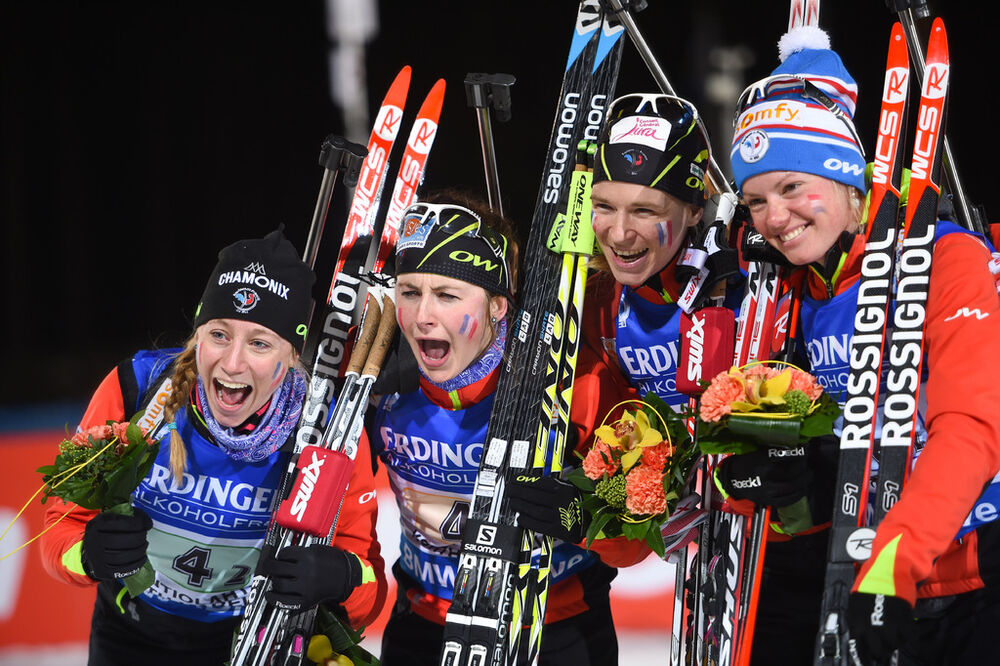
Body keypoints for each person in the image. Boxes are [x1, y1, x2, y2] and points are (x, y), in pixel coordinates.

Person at [722, 25, 1000, 665]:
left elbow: (971, 427)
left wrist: (896, 561)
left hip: (970, 571)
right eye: (756, 200)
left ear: (849, 179)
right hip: (855, 573)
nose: (774, 217)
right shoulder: (790, 292)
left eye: (793, 187)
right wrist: (778, 476)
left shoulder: (947, 258)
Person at [40, 228, 387, 665]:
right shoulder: (138, 389)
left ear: (291, 356)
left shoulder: (327, 430)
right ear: (199, 335)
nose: (233, 362)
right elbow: (60, 526)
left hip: (251, 645)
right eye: (219, 335)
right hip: (131, 635)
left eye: (259, 343)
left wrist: (340, 577)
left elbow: (369, 589)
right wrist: (88, 554)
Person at [370, 191, 650, 665]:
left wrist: (586, 518)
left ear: (498, 305)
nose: (422, 317)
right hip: (422, 629)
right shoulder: (379, 384)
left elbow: (636, 542)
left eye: (447, 294)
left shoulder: (571, 380)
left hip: (554, 628)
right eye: (410, 292)